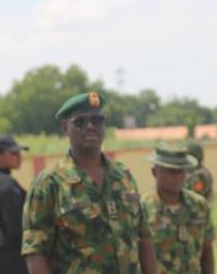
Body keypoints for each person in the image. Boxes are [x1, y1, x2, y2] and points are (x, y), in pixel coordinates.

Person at [21, 92, 158, 274]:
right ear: (65, 127)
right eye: (80, 122)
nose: (90, 126)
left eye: (97, 120)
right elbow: (35, 252)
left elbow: (144, 238)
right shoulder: (49, 183)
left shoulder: (123, 175)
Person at [141, 144, 215, 274]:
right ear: (154, 172)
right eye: (170, 171)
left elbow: (207, 249)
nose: (177, 176)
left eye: (181, 171)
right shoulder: (142, 208)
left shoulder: (199, 206)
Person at [0, 134, 29, 274]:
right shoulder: (6, 184)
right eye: (14, 153)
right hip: (9, 250)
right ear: (0, 156)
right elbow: (15, 224)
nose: (19, 157)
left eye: (19, 153)